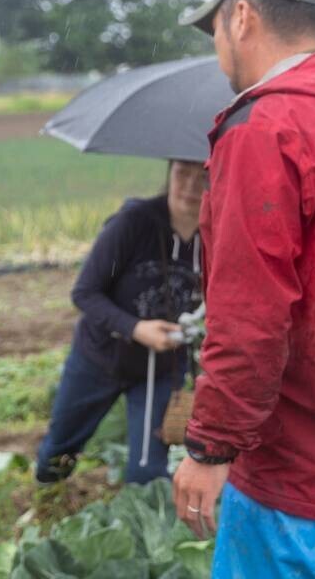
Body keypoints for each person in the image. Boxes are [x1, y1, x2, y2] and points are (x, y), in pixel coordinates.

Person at [172, 0, 315, 576]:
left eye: (215, 31)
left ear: (240, 18)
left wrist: (210, 448)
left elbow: (251, 316)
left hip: (300, 480)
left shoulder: (266, 127)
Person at [35, 159, 206, 485]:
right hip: (99, 358)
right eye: (182, 173)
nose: (190, 187)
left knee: (149, 471)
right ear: (169, 173)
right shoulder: (133, 224)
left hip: (161, 370)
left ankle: (142, 525)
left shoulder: (218, 235)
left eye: (204, 177)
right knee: (58, 452)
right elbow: (85, 293)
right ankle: (48, 497)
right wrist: (137, 329)